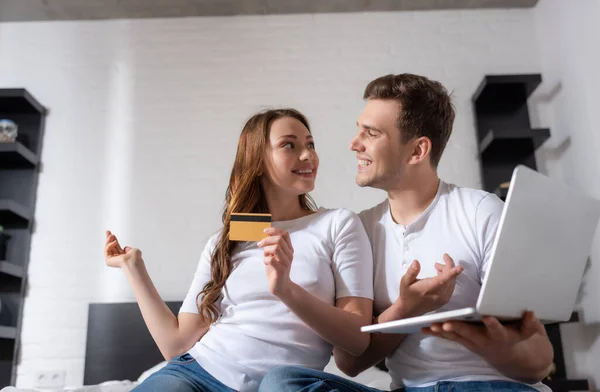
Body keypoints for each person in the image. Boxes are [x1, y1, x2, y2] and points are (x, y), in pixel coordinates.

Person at [259, 74, 554, 392]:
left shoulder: (481, 211)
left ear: (417, 151)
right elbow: (350, 362)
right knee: (282, 383)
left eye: (370, 134)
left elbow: (538, 364)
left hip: (485, 385)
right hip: (409, 388)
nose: (354, 144)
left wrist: (494, 346)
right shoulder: (360, 231)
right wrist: (408, 309)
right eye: (359, 130)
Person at [103, 108, 374, 392]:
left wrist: (285, 289)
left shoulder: (336, 224)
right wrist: (133, 267)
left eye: (310, 144)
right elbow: (176, 343)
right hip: (196, 372)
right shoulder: (228, 240)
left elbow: (357, 339)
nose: (307, 155)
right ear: (256, 159)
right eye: (289, 145)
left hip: (279, 386)